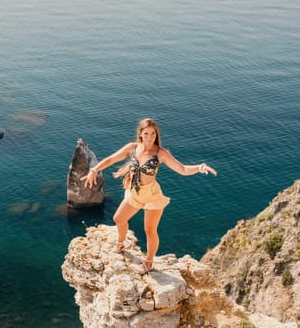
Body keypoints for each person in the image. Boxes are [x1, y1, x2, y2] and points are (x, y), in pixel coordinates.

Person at [81, 118, 217, 275]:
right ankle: (120, 243)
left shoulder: (161, 153)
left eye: (153, 134)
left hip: (152, 196)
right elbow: (111, 159)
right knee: (118, 219)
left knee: (150, 230)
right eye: (146, 133)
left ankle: (149, 263)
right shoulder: (132, 148)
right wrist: (94, 169)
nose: (150, 137)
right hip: (134, 193)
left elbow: (183, 169)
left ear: (156, 134)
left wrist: (199, 167)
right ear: (140, 134)